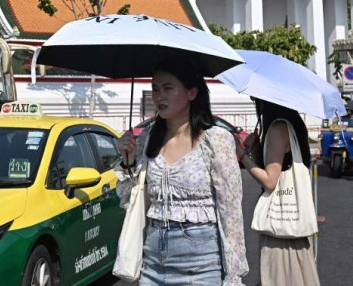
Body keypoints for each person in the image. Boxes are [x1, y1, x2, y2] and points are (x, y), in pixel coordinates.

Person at [116, 59, 248, 285]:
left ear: (192, 93)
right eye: (155, 88)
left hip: (201, 262)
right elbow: (130, 200)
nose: (159, 96)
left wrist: (234, 274)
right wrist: (128, 162)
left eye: (168, 88)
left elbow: (231, 210)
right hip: (153, 258)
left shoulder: (216, 140)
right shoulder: (148, 140)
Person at [236, 99, 320, 286]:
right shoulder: (291, 123)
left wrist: (241, 155)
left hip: (280, 226)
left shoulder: (277, 128)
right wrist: (255, 150)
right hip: (291, 221)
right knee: (296, 276)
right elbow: (280, 166)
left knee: (279, 277)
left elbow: (270, 181)